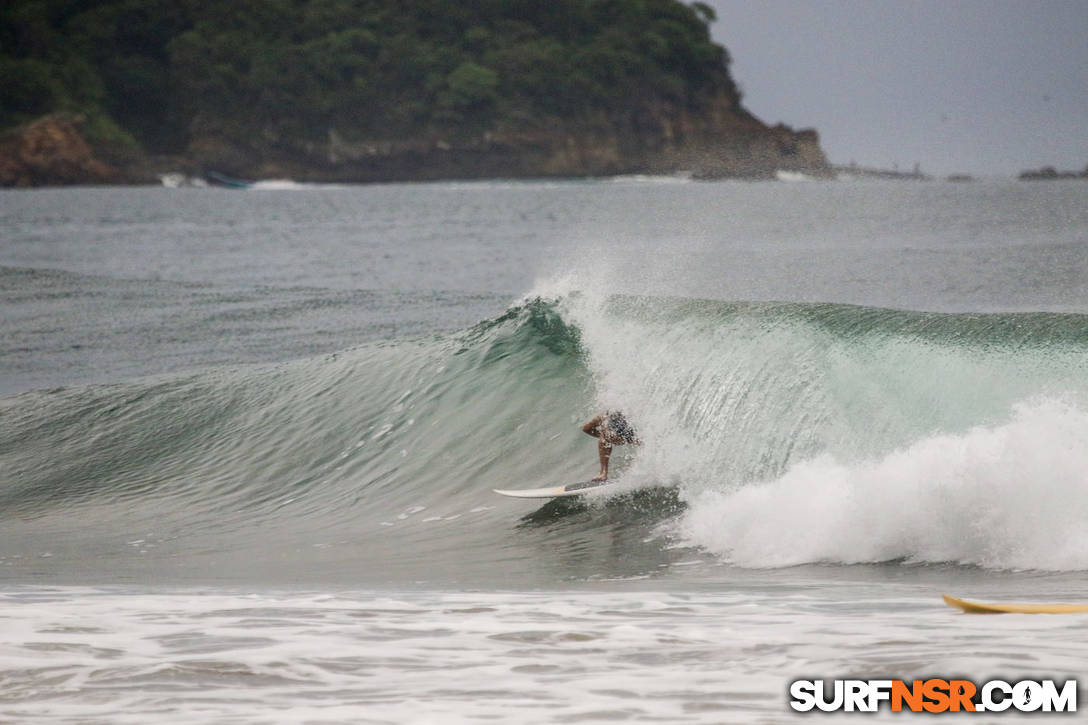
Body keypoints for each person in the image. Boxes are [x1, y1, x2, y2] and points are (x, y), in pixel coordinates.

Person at [581, 411, 640, 481]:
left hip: (624, 422)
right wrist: (605, 437)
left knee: (605, 437)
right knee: (591, 430)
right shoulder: (604, 416)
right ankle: (603, 473)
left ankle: (603, 473)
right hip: (614, 419)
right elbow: (586, 429)